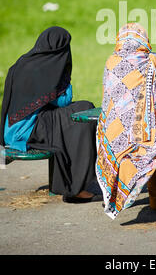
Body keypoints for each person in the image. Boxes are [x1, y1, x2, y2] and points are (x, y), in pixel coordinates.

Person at [0, 26, 98, 203]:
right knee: (84, 109)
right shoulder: (48, 70)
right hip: (27, 133)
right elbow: (64, 101)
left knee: (79, 110)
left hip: (11, 131)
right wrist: (64, 77)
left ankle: (72, 182)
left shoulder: (22, 63)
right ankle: (74, 188)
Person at [96, 22, 156, 219]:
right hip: (147, 137)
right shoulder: (154, 61)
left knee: (107, 134)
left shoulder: (111, 62)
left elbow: (107, 101)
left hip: (116, 137)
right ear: (143, 39)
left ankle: (114, 194)